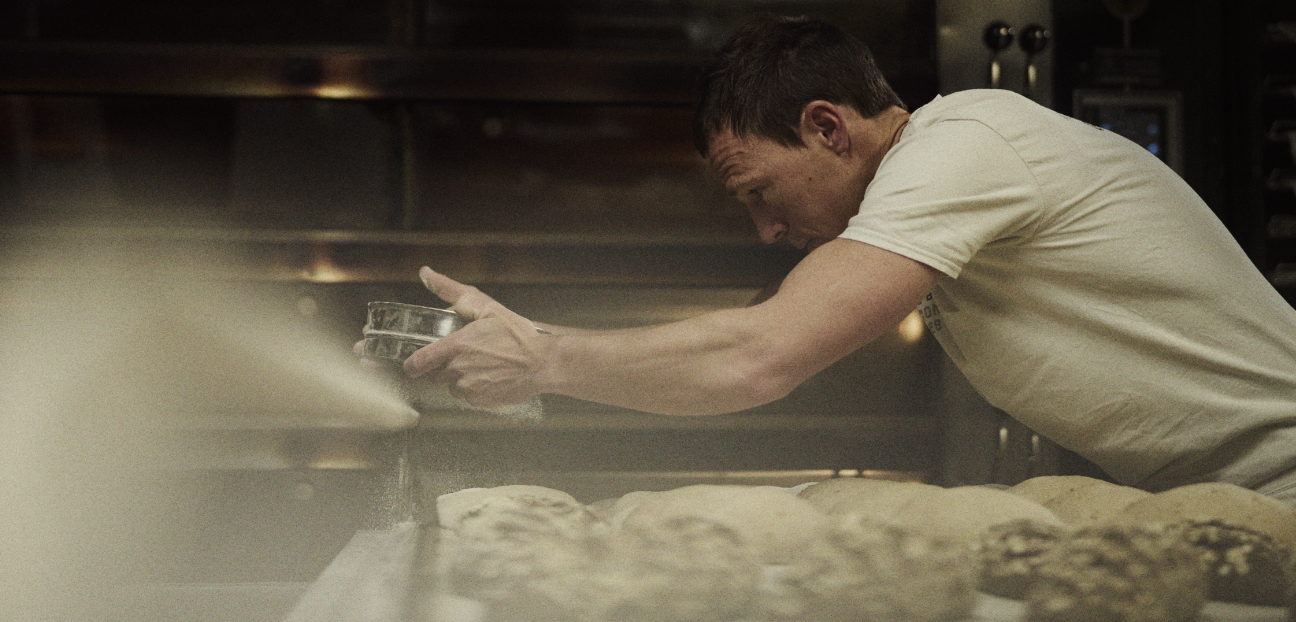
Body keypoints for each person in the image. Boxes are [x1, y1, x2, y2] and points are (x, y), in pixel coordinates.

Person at [385, 15, 1296, 502]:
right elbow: (736, 362)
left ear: (827, 126)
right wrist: (526, 368)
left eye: (760, 192)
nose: (766, 231)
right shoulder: (928, 195)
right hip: (1238, 512)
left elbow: (759, 356)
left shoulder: (968, 143)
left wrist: (544, 356)